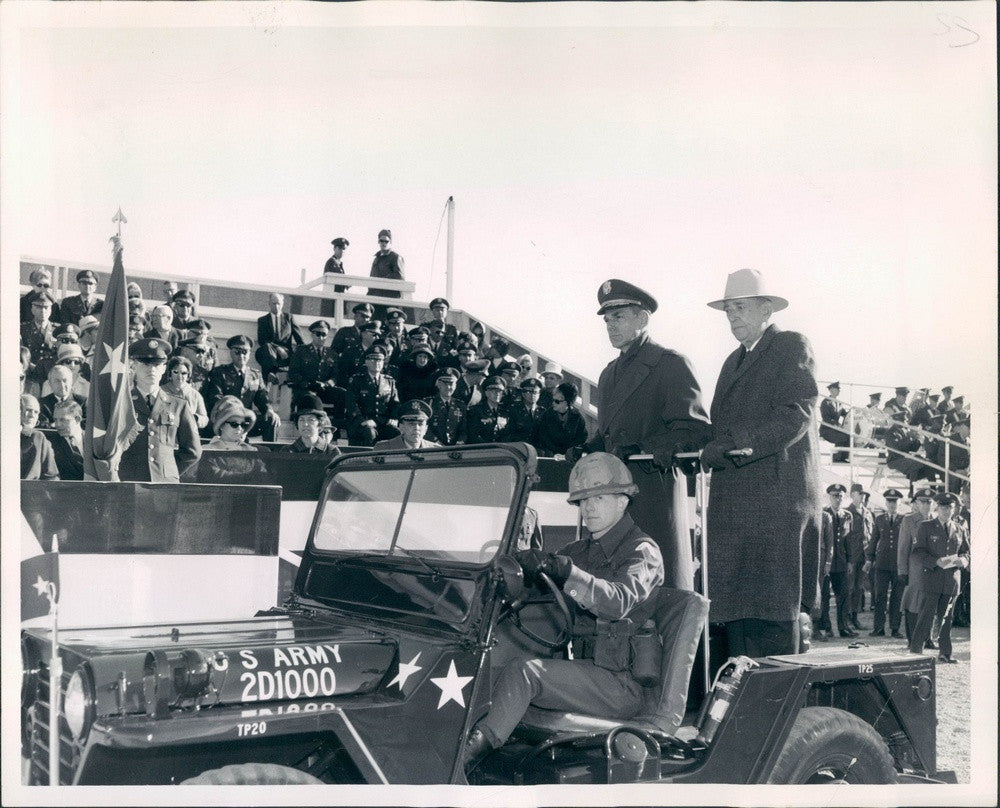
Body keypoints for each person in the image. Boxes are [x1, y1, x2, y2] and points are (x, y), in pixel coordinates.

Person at [463, 453, 705, 774]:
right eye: (583, 501)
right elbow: (548, 574)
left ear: (622, 501)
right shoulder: (580, 551)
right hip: (591, 674)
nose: (588, 508)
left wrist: (568, 574)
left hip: (625, 686)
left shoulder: (642, 552)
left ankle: (465, 760)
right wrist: (520, 565)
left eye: (599, 498)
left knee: (524, 672)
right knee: (488, 668)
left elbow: (618, 600)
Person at [700, 268, 823, 656]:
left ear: (766, 308)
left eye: (741, 307)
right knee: (734, 621)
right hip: (736, 514)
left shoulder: (790, 346)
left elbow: (796, 413)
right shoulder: (730, 363)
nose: (732, 315)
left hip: (773, 508)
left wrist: (737, 444)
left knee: (769, 626)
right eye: (727, 309)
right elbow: (715, 429)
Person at [568, 279, 711, 593]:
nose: (610, 326)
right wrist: (588, 447)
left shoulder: (670, 365)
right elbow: (610, 434)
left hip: (652, 495)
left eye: (618, 317)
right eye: (607, 319)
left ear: (642, 319)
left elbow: (694, 430)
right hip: (612, 501)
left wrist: (646, 447)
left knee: (659, 593)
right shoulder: (608, 374)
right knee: (613, 589)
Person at [118, 338, 202, 482]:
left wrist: (168, 470)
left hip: (165, 483)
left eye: (157, 364)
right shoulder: (122, 402)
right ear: (133, 366)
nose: (151, 370)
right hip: (128, 481)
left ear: (164, 369)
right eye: (145, 364)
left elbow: (193, 451)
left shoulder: (179, 405)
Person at [907, 492, 969, 663]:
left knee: (946, 618)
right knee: (925, 616)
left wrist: (963, 560)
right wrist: (935, 561)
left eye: (949, 507)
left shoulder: (959, 528)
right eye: (943, 507)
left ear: (954, 509)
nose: (946, 511)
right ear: (937, 508)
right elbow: (917, 552)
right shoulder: (926, 527)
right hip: (931, 579)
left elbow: (966, 552)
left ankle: (945, 653)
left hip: (951, 581)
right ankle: (915, 651)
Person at [202, 335, 281, 442]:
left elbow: (262, 397)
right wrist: (233, 413)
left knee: (271, 419)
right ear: (231, 352)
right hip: (226, 419)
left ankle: (271, 454)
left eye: (245, 352)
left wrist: (269, 410)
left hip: (247, 420)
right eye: (237, 351)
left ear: (249, 354)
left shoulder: (255, 375)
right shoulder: (220, 372)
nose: (241, 355)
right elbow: (216, 397)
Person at [898, 487, 937, 645]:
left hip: (934, 570)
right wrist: (902, 571)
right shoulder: (909, 521)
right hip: (915, 571)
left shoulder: (938, 520)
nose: (926, 505)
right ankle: (913, 639)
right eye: (923, 502)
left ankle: (928, 638)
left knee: (931, 604)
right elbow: (903, 548)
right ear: (916, 503)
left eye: (929, 502)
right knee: (913, 604)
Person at [817, 484, 853, 639]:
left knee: (843, 595)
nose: (837, 499)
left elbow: (849, 540)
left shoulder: (847, 515)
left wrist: (850, 560)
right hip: (826, 563)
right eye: (834, 496)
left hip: (841, 562)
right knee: (825, 596)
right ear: (829, 497)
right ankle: (827, 627)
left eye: (840, 496)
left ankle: (843, 627)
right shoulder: (823, 514)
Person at [345, 344, 400, 446]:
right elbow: (351, 404)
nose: (377, 363)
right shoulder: (357, 380)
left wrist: (394, 418)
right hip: (363, 423)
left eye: (380, 360)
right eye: (373, 359)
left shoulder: (389, 381)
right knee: (369, 433)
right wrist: (362, 420)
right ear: (366, 361)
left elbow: (395, 403)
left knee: (397, 433)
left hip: (383, 422)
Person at [868, 488, 905, 637]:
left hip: (898, 565)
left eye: (894, 501)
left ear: (899, 503)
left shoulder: (904, 520)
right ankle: (878, 628)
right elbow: (873, 540)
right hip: (882, 564)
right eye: (889, 501)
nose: (892, 504)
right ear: (885, 502)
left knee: (897, 596)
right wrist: (869, 559)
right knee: (879, 596)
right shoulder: (879, 519)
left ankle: (895, 628)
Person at [287, 319, 339, 409]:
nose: (321, 338)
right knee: (312, 399)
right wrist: (308, 384)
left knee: (342, 394)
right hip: (305, 389)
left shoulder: (332, 354)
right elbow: (293, 373)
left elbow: (335, 376)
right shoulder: (301, 351)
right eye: (318, 334)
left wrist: (326, 384)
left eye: (324, 335)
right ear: (312, 334)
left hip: (324, 389)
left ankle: (339, 421)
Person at [255, 292, 303, 383]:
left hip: (286, 353)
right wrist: (277, 348)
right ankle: (272, 373)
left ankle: (270, 375)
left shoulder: (289, 318)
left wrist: (300, 354)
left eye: (279, 304)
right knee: (267, 346)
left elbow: (300, 339)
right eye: (274, 303)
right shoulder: (262, 320)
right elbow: (262, 340)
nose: (276, 306)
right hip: (268, 351)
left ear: (282, 304)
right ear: (269, 303)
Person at [845, 483, 873, 630]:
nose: (862, 496)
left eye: (863, 494)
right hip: (851, 556)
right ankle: (846, 617)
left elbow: (870, 535)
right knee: (849, 587)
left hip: (864, 555)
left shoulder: (867, 513)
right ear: (852, 495)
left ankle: (855, 616)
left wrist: (870, 556)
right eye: (859, 493)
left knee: (859, 587)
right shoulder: (847, 513)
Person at [537, 381, 588, 458]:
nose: (553, 403)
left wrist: (568, 453)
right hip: (550, 455)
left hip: (569, 456)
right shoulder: (547, 415)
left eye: (557, 401)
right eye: (553, 400)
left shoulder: (577, 417)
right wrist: (555, 452)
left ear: (567, 402)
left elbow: (581, 438)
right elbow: (543, 437)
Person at [160, 355, 210, 431]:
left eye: (183, 373)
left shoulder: (195, 395)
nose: (180, 376)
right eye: (176, 372)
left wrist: (195, 418)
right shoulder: (161, 391)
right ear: (170, 373)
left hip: (188, 434)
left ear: (188, 374)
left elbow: (205, 419)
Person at [20, 294, 59, 389]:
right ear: (32, 309)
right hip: (30, 377)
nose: (43, 311)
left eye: (46, 307)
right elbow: (21, 354)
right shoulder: (22, 329)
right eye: (38, 307)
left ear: (51, 310)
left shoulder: (58, 330)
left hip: (51, 377)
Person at [374, 399, 440, 450]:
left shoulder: (436, 450)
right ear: (401, 427)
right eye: (411, 424)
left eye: (420, 424)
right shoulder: (384, 449)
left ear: (426, 428)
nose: (416, 428)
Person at [424, 367, 467, 446]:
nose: (448, 387)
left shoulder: (460, 405)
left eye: (451, 384)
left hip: (456, 447)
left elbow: (464, 428)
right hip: (433, 446)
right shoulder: (429, 403)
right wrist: (437, 443)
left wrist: (460, 442)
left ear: (455, 386)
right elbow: (425, 427)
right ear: (438, 384)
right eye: (445, 384)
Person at [20, 394, 59, 480]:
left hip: (31, 490)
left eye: (36, 412)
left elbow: (51, 476)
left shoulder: (38, 438)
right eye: (28, 410)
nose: (32, 415)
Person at [465, 375, 510, 444]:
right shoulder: (475, 411)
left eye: (500, 391)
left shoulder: (505, 412)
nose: (497, 394)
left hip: (501, 451)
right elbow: (473, 435)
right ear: (486, 393)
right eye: (493, 391)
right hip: (482, 450)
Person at [49, 399, 86, 480]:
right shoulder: (50, 444)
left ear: (77, 419)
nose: (57, 424)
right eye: (55, 419)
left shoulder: (94, 440)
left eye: (63, 420)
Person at [506, 377, 545, 446]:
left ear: (539, 395)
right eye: (529, 392)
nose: (533, 395)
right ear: (523, 394)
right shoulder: (514, 409)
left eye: (535, 392)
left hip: (537, 449)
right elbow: (510, 433)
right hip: (518, 447)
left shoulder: (543, 412)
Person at [369, 228, 405, 299]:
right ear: (378, 241)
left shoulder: (395, 257)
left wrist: (382, 280)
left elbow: (399, 277)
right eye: (382, 241)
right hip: (375, 297)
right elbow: (372, 278)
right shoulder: (376, 259)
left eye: (386, 241)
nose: (384, 243)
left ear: (390, 242)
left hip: (390, 298)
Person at [819, 381, 850, 461]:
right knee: (841, 437)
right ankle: (836, 458)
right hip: (826, 429)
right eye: (837, 389)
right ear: (832, 390)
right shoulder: (826, 402)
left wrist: (852, 413)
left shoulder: (839, 404)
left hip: (835, 429)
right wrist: (837, 424)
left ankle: (844, 458)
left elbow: (845, 414)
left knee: (849, 435)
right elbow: (826, 418)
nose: (839, 391)